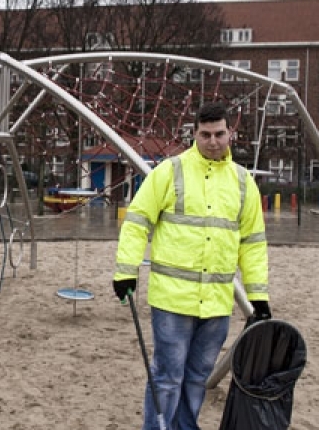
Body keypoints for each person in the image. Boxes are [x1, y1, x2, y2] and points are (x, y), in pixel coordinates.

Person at [113, 102, 271, 430]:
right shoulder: (170, 172)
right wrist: (126, 270)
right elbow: (137, 222)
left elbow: (253, 244)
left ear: (232, 134)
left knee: (197, 377)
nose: (213, 141)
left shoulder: (244, 183)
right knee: (168, 376)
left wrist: (258, 296)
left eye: (219, 134)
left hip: (216, 303)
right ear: (194, 135)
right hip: (172, 300)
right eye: (205, 134)